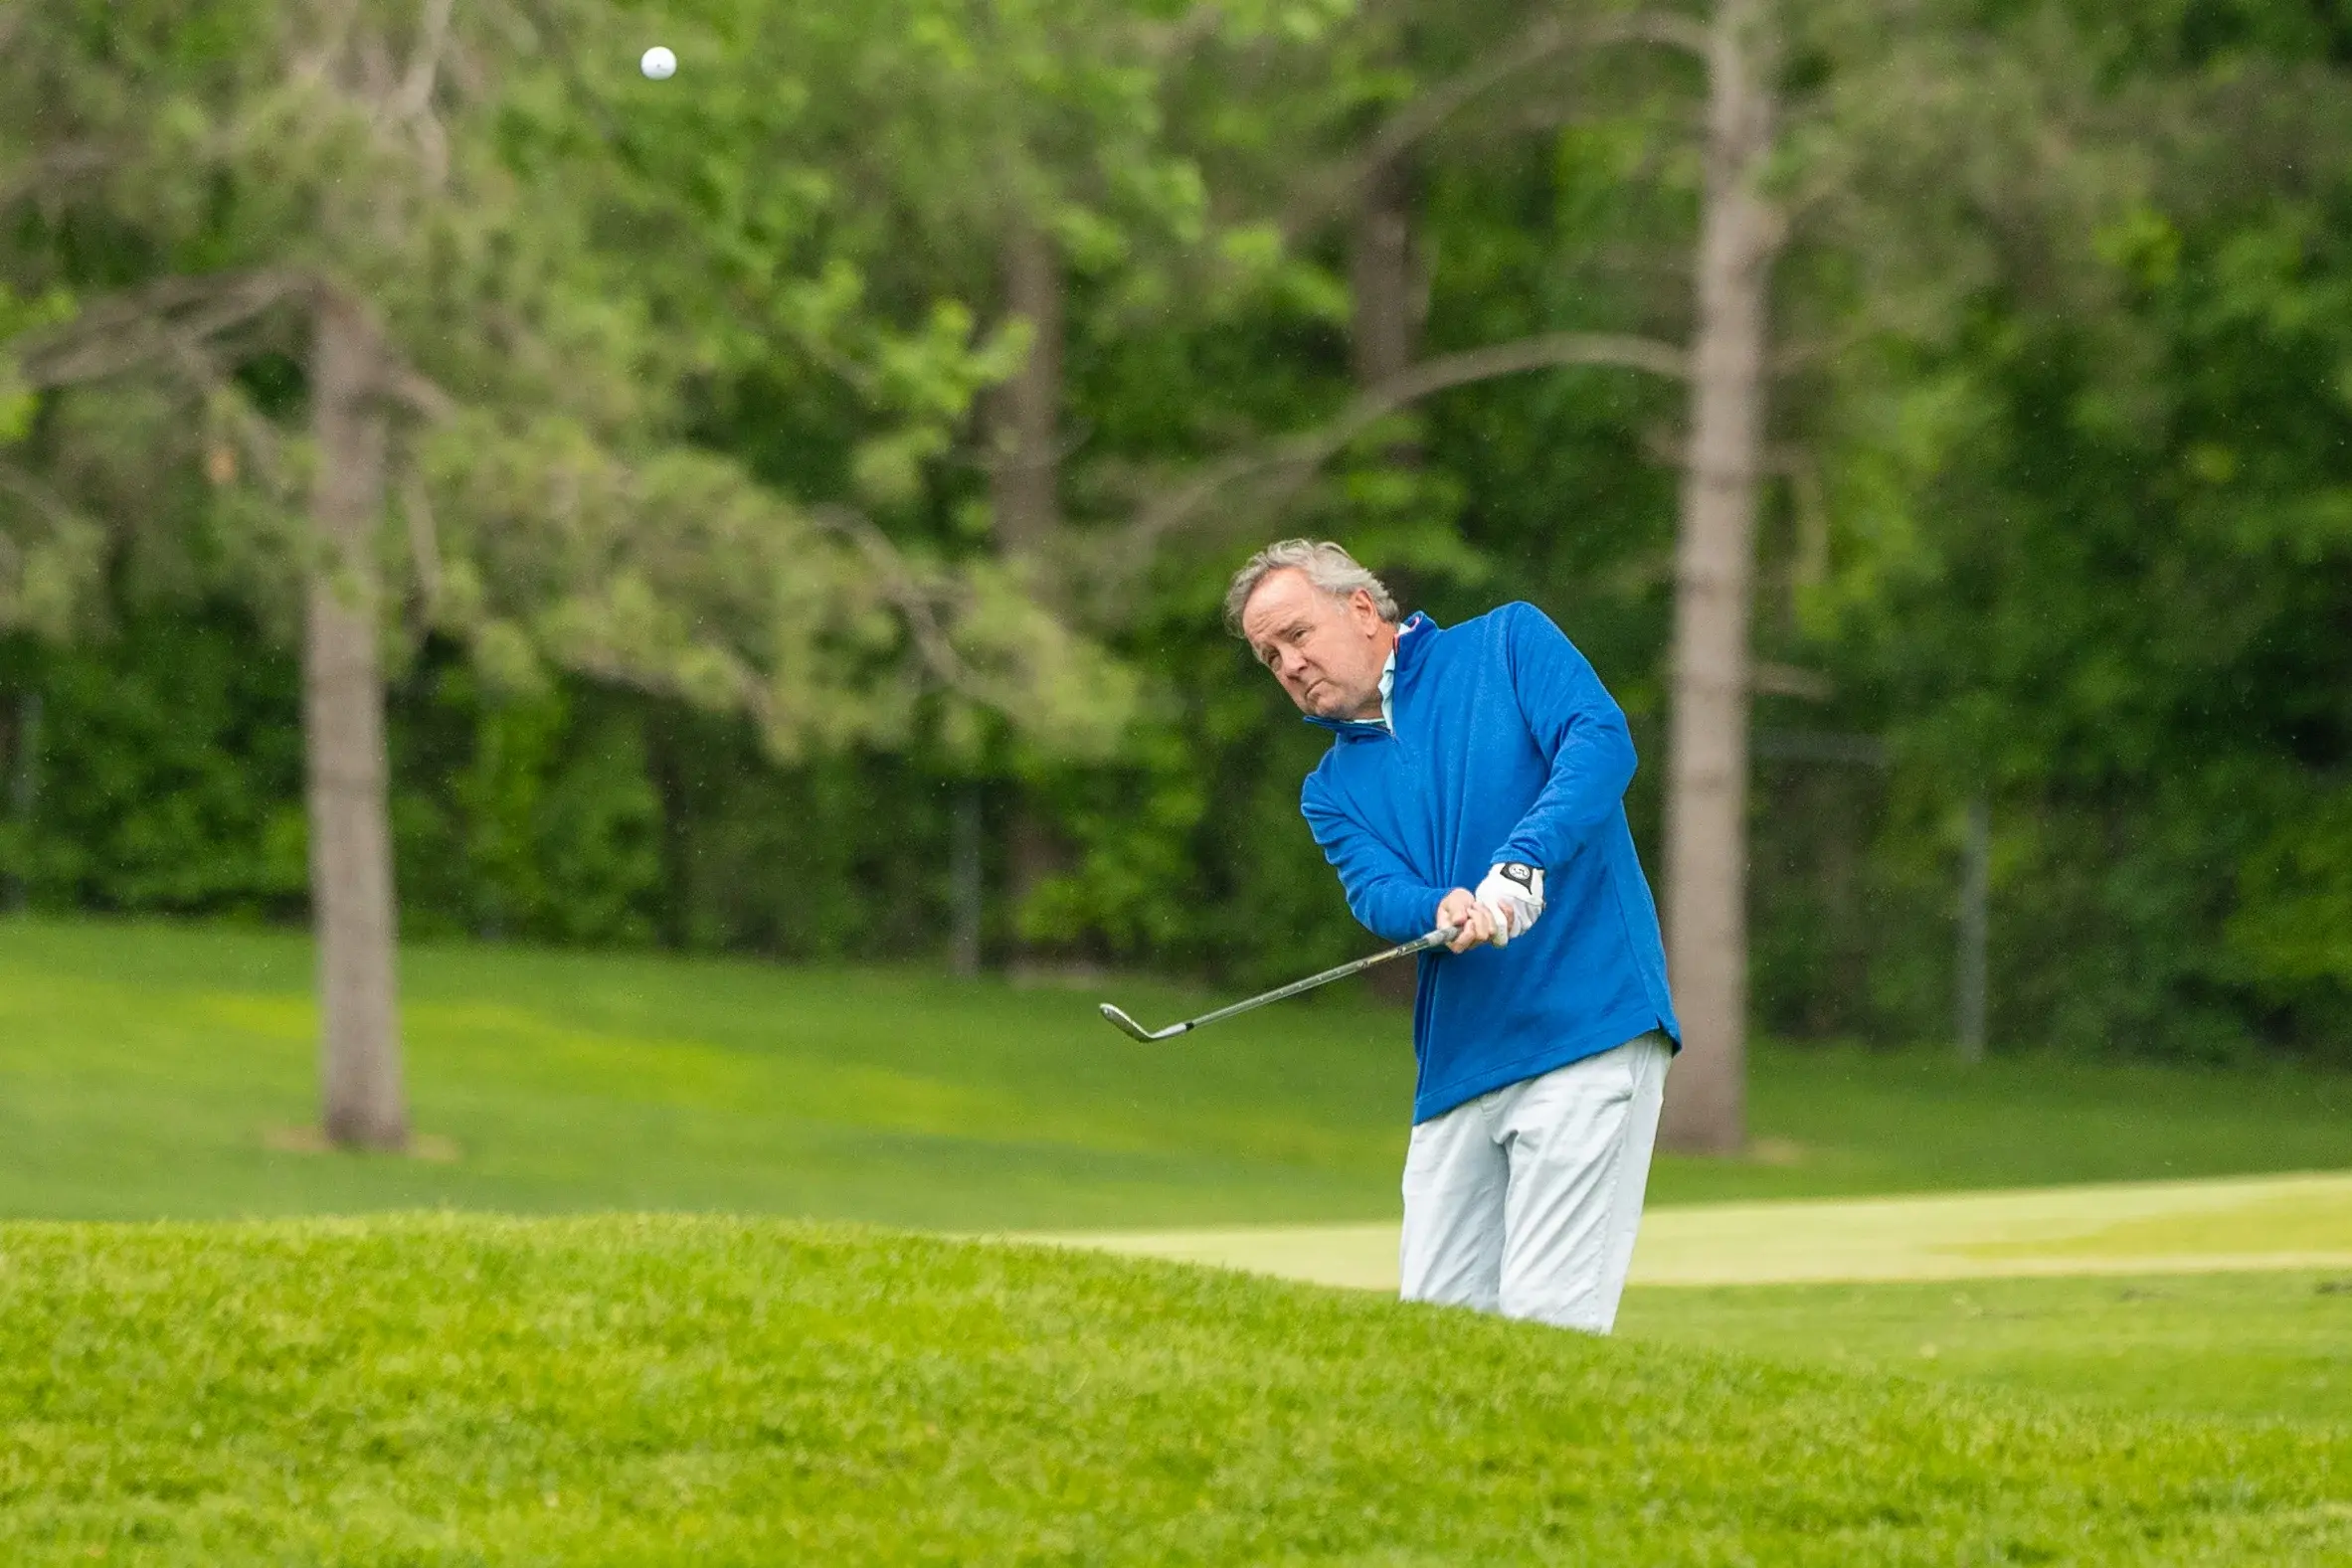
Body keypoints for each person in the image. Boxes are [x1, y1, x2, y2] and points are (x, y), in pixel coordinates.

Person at [1227, 539, 1679, 1333]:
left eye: (1296, 635)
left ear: (1361, 609)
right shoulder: (1328, 788)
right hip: (1457, 1064)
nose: (1288, 664)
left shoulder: (1506, 643)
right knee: (1435, 1339)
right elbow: (1375, 889)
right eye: (1269, 655)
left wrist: (1523, 859)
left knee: (1547, 1329)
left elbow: (1599, 739)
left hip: (1588, 1025)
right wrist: (1442, 908)